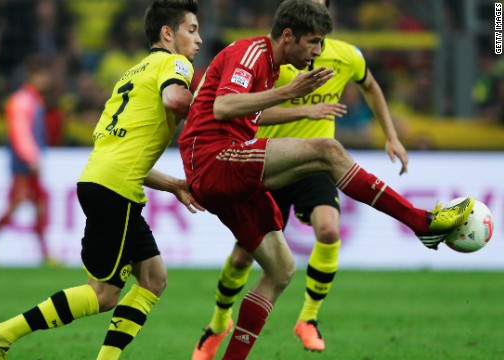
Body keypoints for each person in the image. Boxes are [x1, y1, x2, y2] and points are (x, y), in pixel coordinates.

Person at [177, 0, 474, 358]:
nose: (318, 51)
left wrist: (294, 101)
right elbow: (222, 108)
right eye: (313, 42)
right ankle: (421, 221)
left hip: (231, 165)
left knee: (282, 269)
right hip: (214, 160)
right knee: (327, 150)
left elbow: (249, 111)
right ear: (288, 36)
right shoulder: (251, 53)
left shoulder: (274, 64)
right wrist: (289, 93)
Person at [0, 1, 203, 359]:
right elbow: (176, 99)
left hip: (100, 178)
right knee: (103, 294)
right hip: (118, 188)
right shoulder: (175, 63)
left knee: (153, 279)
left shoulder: (130, 75)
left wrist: (173, 184)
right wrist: (213, 109)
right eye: (192, 30)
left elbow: (119, 151)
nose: (199, 40)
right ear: (167, 33)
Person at [0, 55, 54, 266]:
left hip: (27, 163)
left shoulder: (33, 99)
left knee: (40, 204)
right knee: (18, 205)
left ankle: (44, 252)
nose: (45, 80)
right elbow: (20, 132)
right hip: (24, 165)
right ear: (32, 76)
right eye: (41, 76)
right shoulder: (22, 100)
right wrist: (32, 158)